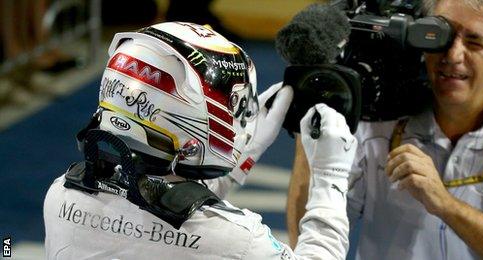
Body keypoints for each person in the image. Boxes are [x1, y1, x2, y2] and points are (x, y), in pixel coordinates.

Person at [287, 0, 483, 259]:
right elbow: (310, 242)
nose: (453, 55)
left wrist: (445, 205)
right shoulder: (375, 124)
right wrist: (312, 127)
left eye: (474, 42)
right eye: (442, 37)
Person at [43, 22, 357, 259]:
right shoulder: (238, 239)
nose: (238, 117)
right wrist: (331, 173)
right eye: (233, 104)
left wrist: (244, 157)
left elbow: (155, 211)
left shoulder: (61, 195)